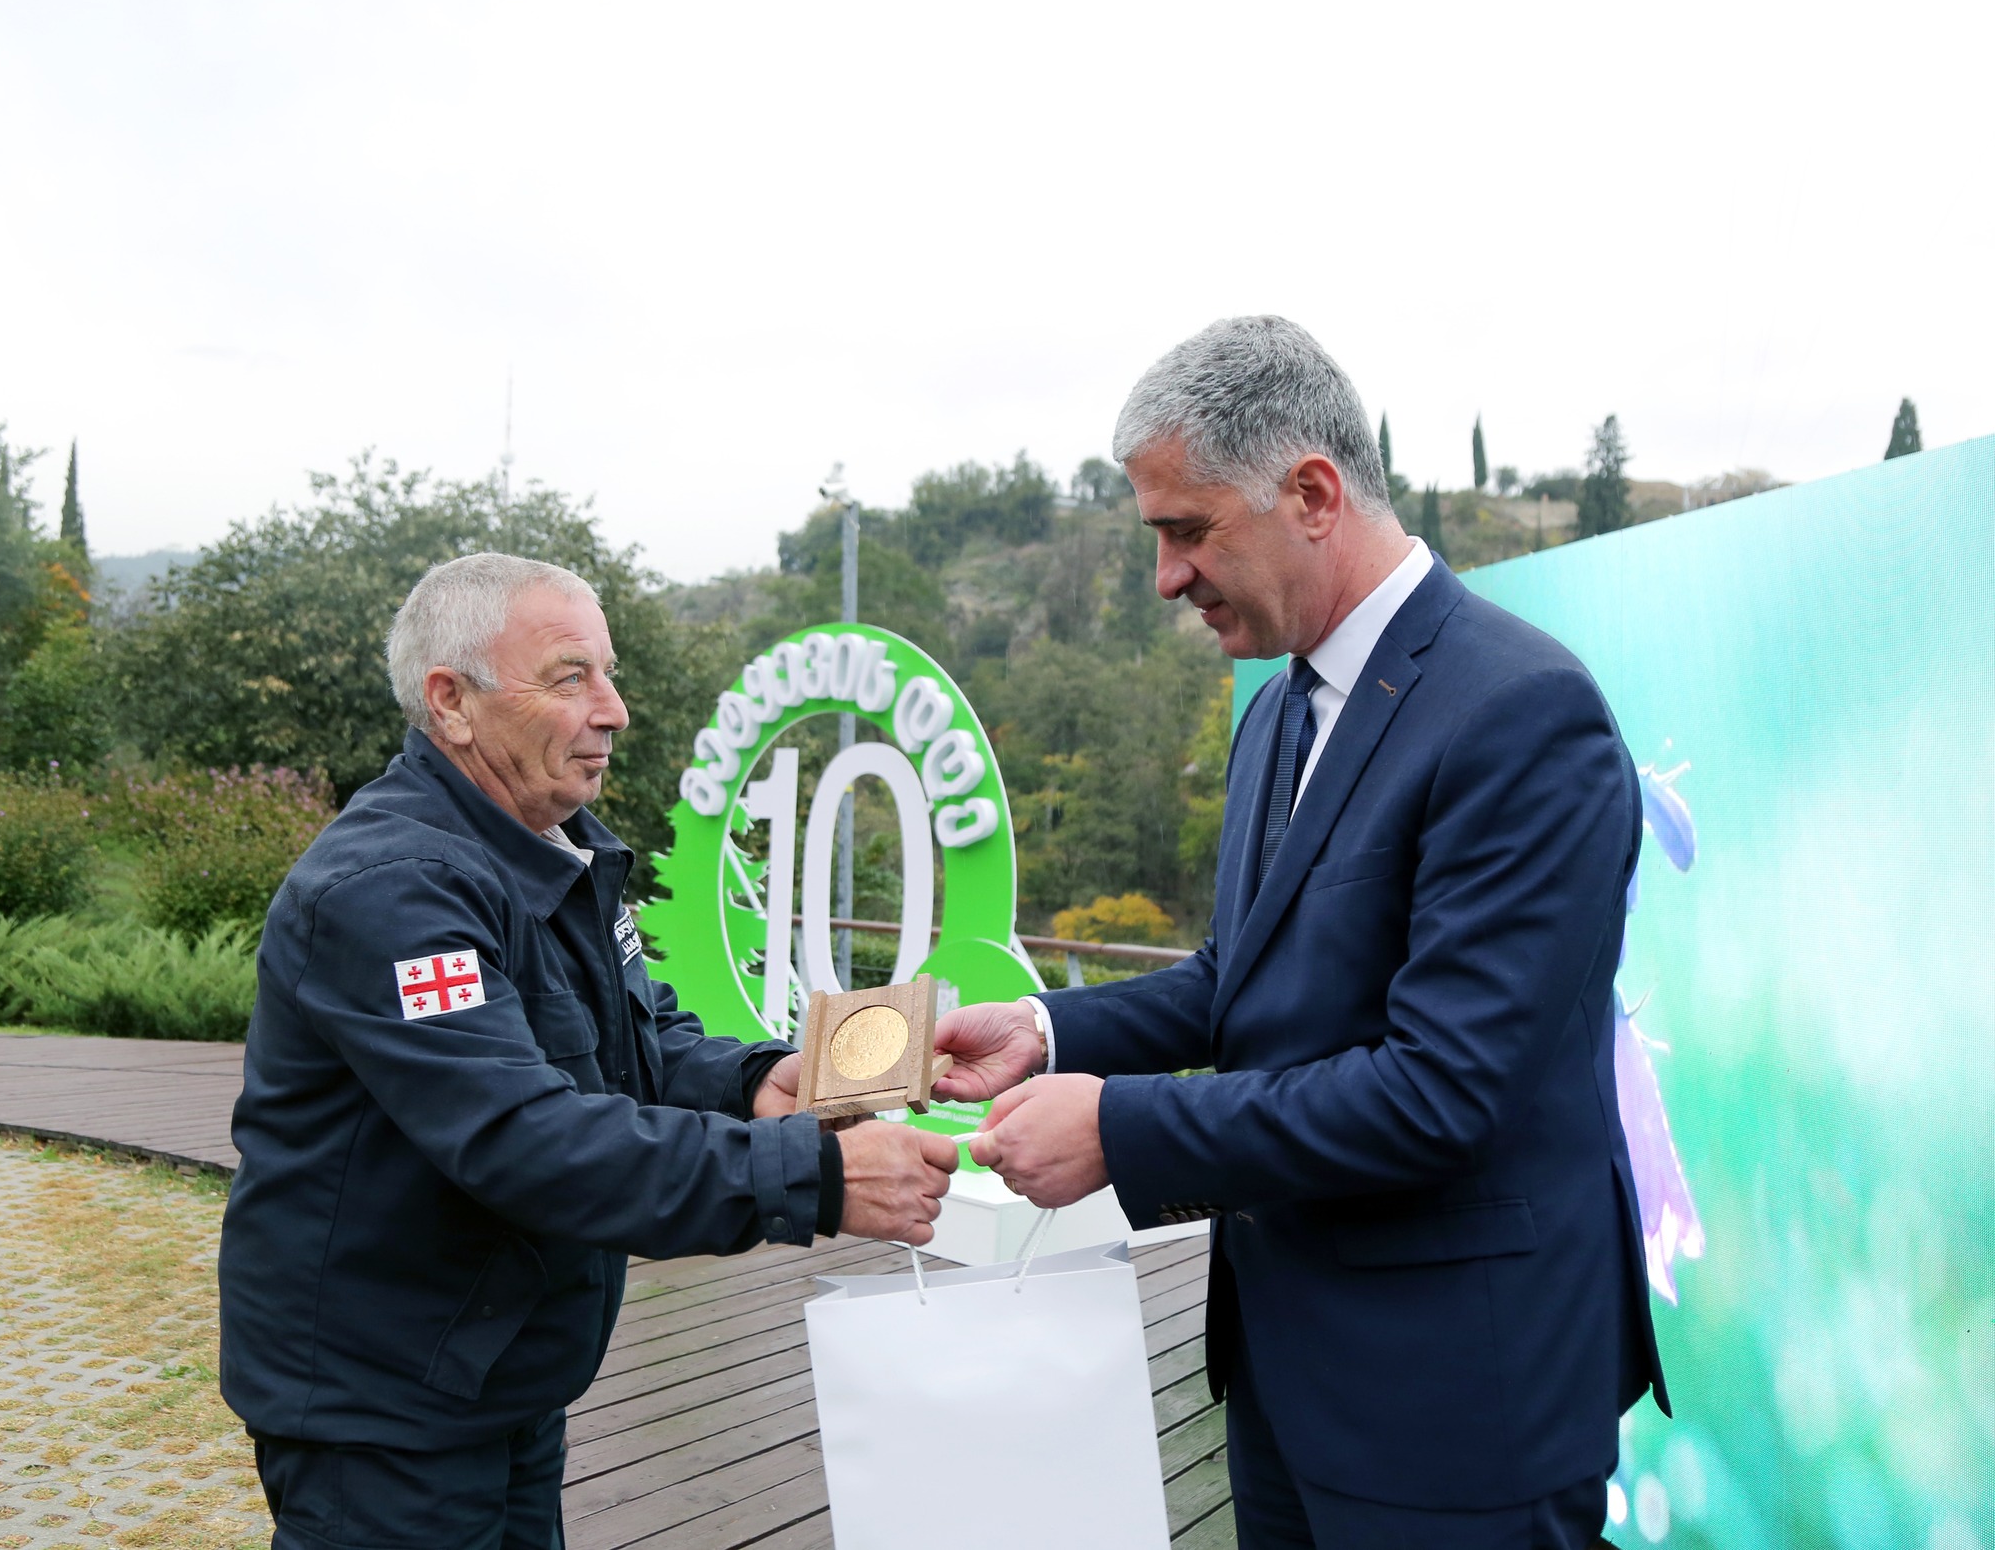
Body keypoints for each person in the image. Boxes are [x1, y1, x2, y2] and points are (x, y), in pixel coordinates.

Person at [936, 317, 1666, 1548]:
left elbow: (1440, 1093)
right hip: (1285, 1382)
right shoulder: (1276, 712)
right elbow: (1241, 979)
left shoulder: (1520, 712)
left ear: (1313, 495)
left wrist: (1119, 1129)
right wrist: (1047, 1031)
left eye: (1186, 529)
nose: (1164, 577)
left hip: (1455, 1407)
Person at [219, 552, 956, 1550]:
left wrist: (757, 1081)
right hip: (386, 1413)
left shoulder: (553, 847)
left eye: (607, 674)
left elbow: (633, 1038)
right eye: (570, 678)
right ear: (452, 702)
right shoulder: (393, 889)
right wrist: (816, 1174)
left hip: (499, 1378)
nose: (613, 710)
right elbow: (521, 1137)